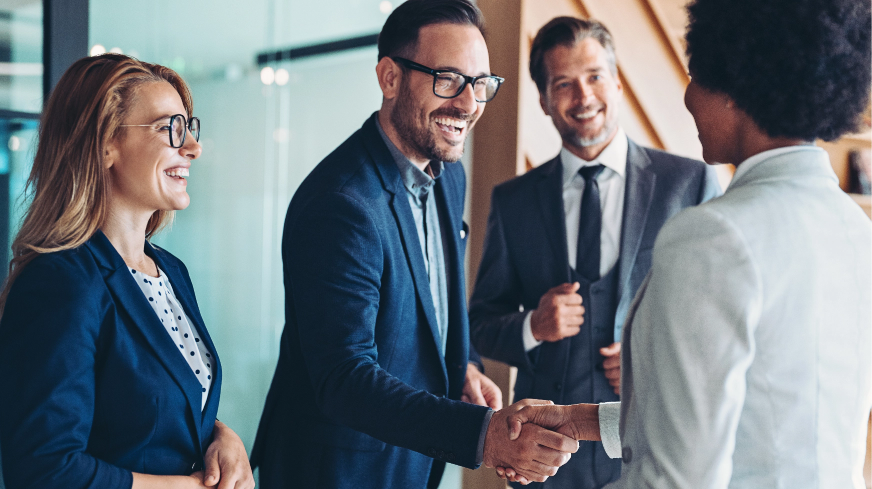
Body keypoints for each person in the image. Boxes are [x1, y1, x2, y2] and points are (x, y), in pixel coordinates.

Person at [502, 0, 872, 487]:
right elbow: (747, 413)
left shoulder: (713, 236)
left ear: (737, 84)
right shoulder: (855, 228)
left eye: (697, 75)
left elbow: (677, 477)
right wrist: (578, 419)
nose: (688, 98)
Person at [249, 1, 577, 488]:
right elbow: (344, 378)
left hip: (411, 464)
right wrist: (485, 435)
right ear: (389, 78)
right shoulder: (340, 202)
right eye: (448, 79)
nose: (468, 104)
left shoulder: (448, 174)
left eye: (480, 83)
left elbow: (433, 306)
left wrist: (464, 365)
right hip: (338, 472)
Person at [467, 16, 720, 489]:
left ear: (618, 83)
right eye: (563, 84)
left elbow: (719, 317)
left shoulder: (689, 183)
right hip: (543, 459)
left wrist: (656, 357)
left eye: (595, 77)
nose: (583, 97)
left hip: (653, 452)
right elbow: (479, 325)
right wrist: (532, 327)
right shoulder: (513, 200)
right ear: (543, 99)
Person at [0, 54, 254, 489]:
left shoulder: (170, 271)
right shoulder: (61, 281)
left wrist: (221, 436)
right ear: (105, 144)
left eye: (190, 127)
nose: (192, 147)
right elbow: (44, 468)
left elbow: (144, 406)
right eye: (169, 128)